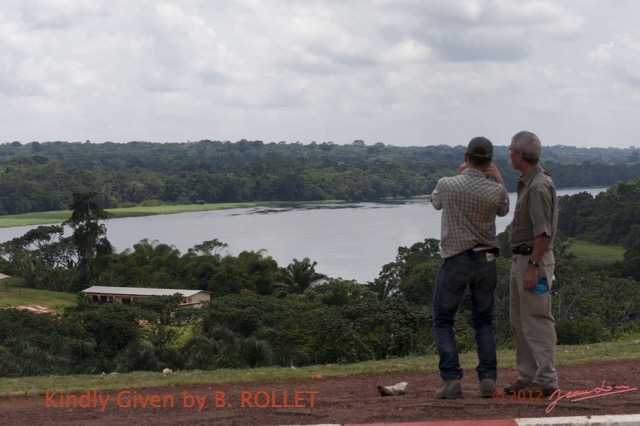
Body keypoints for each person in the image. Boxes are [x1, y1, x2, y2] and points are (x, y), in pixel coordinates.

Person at [431, 136, 509, 399]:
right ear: (488, 162)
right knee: (484, 321)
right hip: (486, 260)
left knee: (443, 320)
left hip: (456, 259)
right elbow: (504, 209)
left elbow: (436, 202)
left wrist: (457, 175)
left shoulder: (447, 184)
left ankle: (452, 380)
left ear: (466, 157)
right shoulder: (495, 191)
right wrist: (497, 178)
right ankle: (488, 379)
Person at [503, 130, 559, 397]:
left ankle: (546, 377)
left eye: (511, 151)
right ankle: (528, 375)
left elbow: (543, 233)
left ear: (520, 154)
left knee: (537, 320)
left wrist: (533, 267)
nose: (509, 154)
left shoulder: (537, 186)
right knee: (520, 321)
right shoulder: (529, 180)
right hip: (522, 258)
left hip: (532, 260)